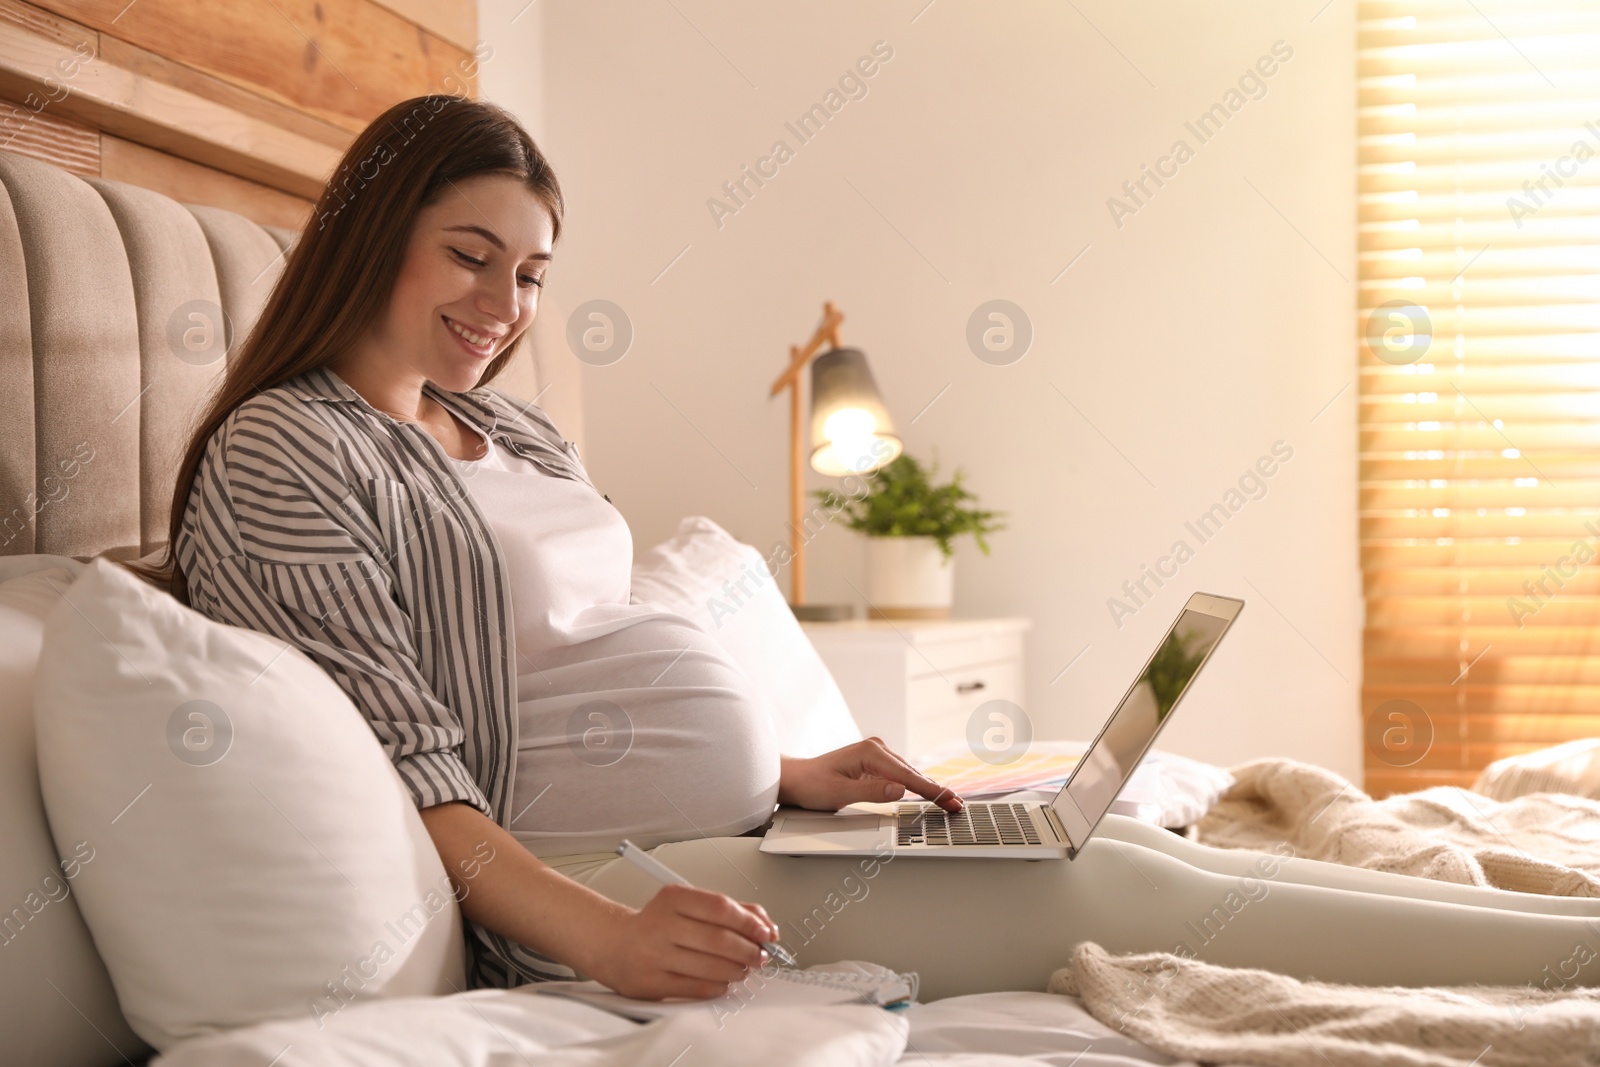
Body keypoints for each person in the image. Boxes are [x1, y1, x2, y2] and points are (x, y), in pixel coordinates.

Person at [128, 94, 1600, 1006]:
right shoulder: (287, 453)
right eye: (470, 253)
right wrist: (606, 939)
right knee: (1113, 899)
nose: (505, 303)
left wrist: (783, 774)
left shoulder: (506, 432)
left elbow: (564, 659)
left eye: (529, 273)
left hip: (734, 825)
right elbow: (419, 763)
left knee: (1120, 836)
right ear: (372, 230)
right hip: (608, 881)